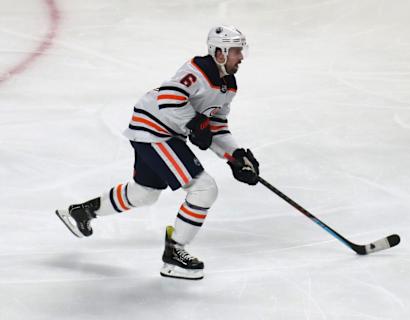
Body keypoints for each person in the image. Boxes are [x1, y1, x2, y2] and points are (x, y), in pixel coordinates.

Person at [55, 25, 260, 280]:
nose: (241, 57)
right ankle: (174, 254)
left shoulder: (229, 86)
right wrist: (195, 124)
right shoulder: (197, 71)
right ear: (220, 52)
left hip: (159, 132)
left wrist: (235, 156)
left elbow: (216, 126)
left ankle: (82, 212)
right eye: (236, 51)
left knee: (144, 194)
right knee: (204, 188)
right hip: (154, 130)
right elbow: (169, 97)